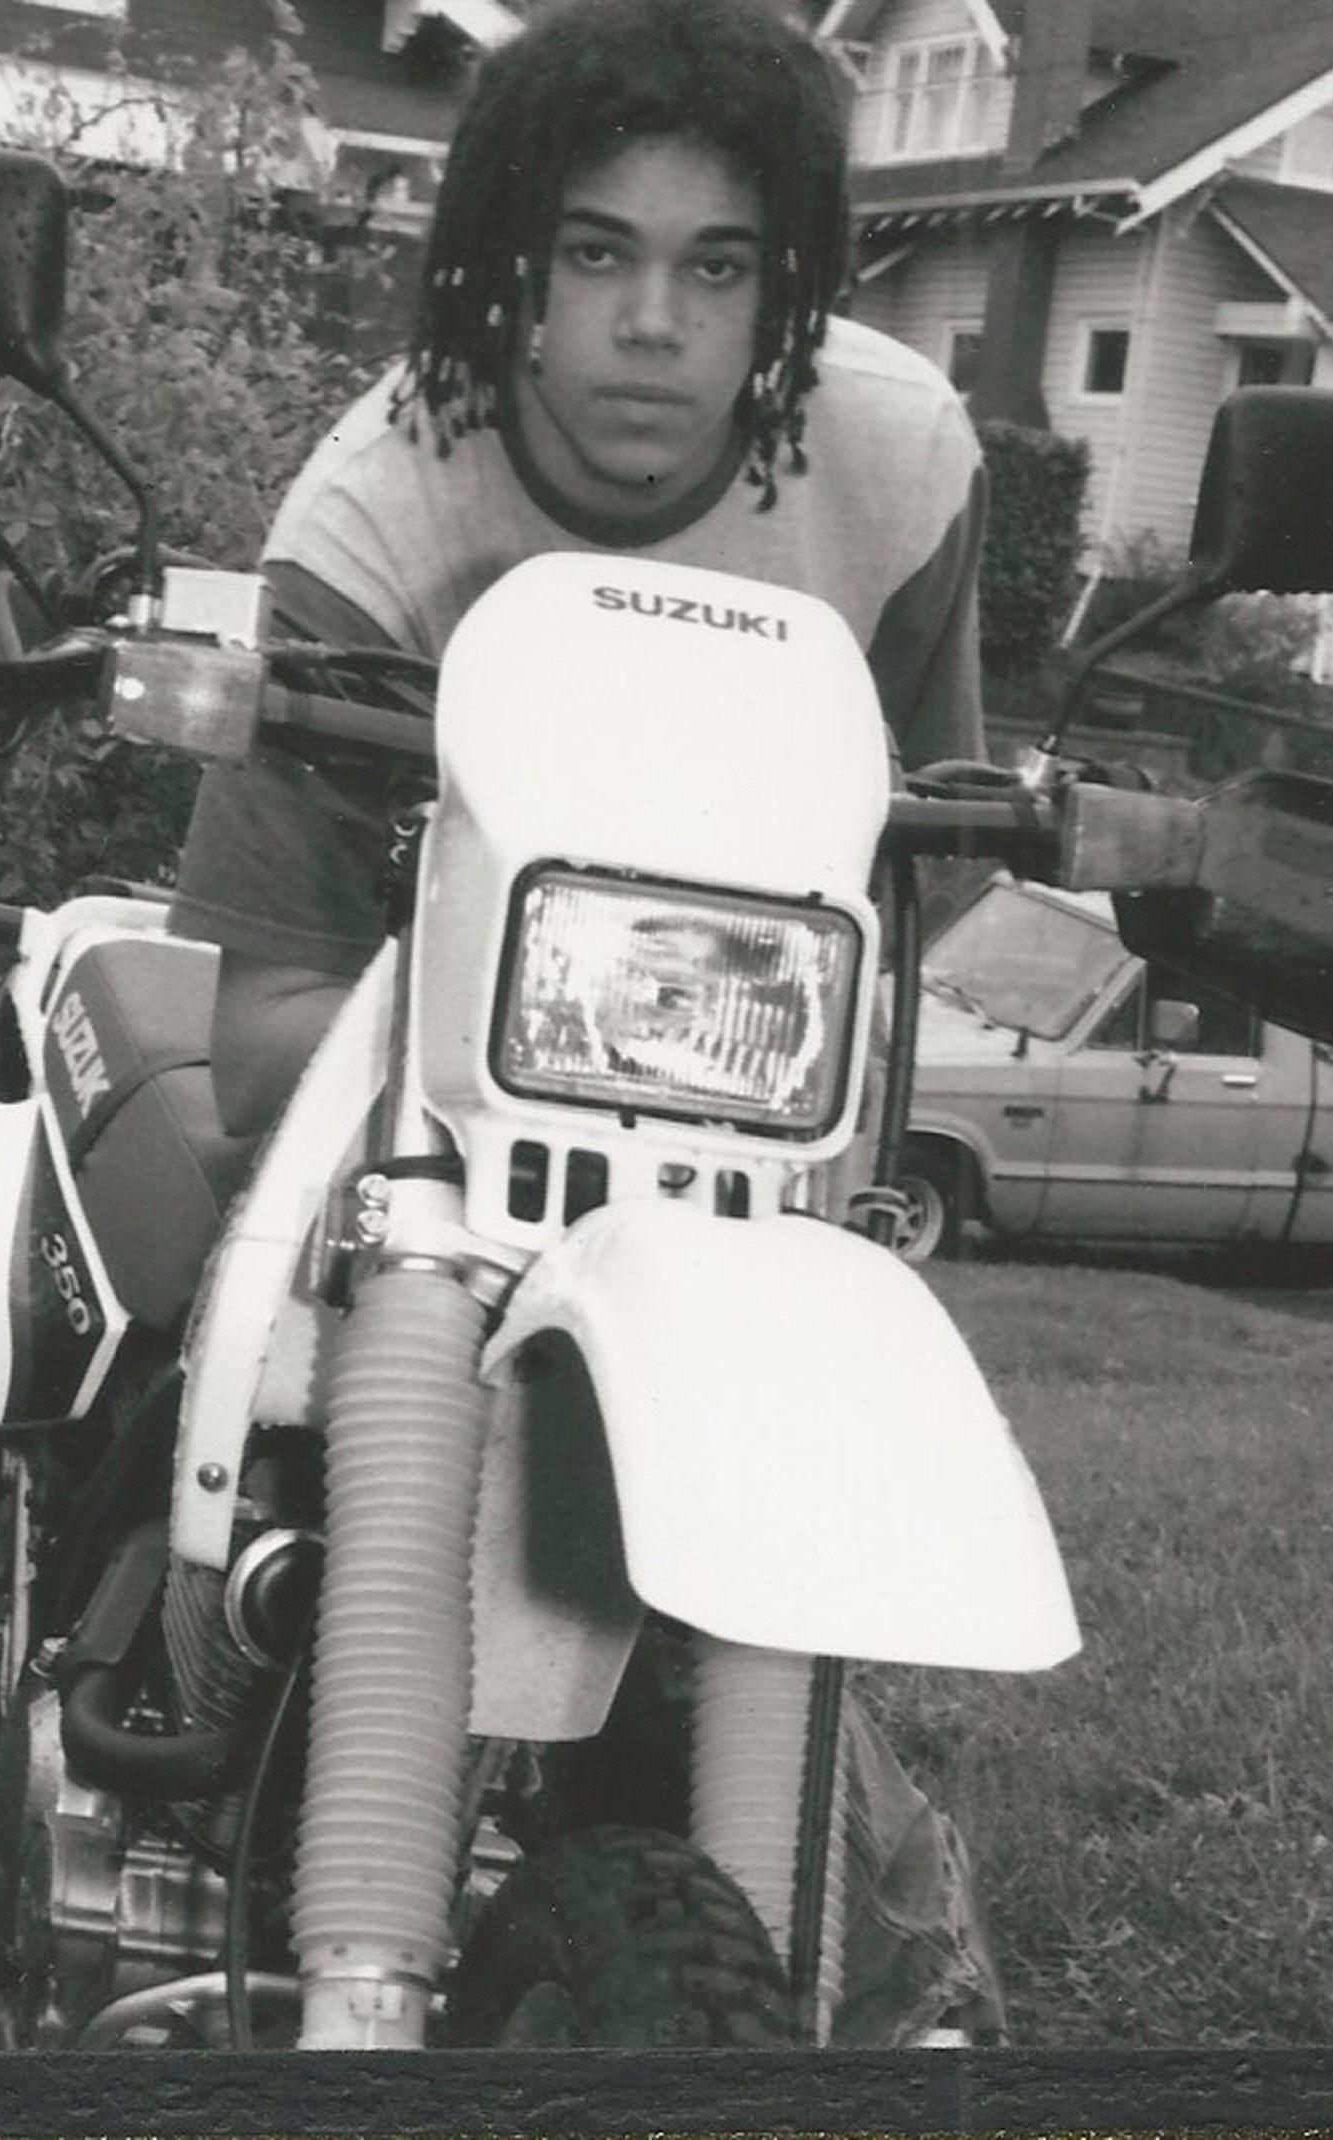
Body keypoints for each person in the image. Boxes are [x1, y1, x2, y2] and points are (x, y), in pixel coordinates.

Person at [169, 0, 1004, 2045]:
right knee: (221, 1351)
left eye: (718, 268)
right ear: (510, 276)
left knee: (806, 1663)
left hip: (726, 1158)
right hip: (425, 1133)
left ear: (786, 292)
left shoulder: (896, 465)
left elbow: (934, 854)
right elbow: (263, 999)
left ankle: (885, 1985)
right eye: (596, 254)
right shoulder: (376, 519)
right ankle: (158, 1666)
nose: (652, 323)